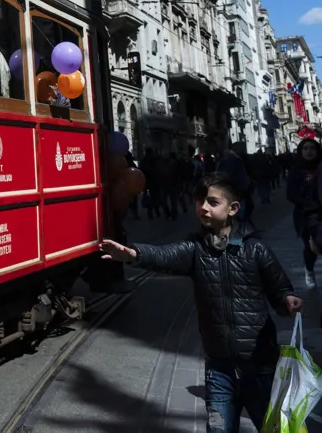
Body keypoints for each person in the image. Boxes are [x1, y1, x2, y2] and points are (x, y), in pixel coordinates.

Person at [101, 172, 301, 433]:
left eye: (212, 202)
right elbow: (166, 255)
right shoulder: (196, 249)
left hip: (260, 367)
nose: (203, 207)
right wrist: (133, 254)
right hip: (218, 368)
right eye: (199, 201)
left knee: (271, 428)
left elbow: (279, 287)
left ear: (232, 209)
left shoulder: (255, 250)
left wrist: (287, 299)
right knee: (218, 428)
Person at [285, 137, 322, 289]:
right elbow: (290, 194)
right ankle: (309, 269)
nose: (309, 151)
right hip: (305, 214)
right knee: (311, 246)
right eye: (305, 148)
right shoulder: (296, 170)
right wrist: (305, 201)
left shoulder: (321, 167)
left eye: (312, 148)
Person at [218, 142, 253, 223]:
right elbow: (229, 174)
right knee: (242, 205)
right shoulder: (234, 159)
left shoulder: (228, 159)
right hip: (237, 187)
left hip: (235, 187)